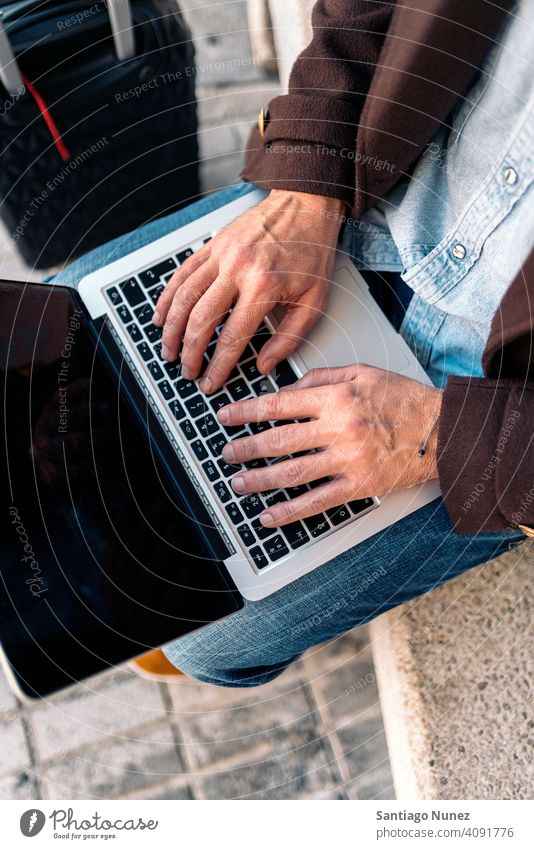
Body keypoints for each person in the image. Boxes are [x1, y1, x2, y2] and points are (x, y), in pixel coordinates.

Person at [52, 0, 533, 686]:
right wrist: (308, 176)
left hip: (484, 383)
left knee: (202, 637)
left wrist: (447, 434)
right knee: (68, 314)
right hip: (373, 185)